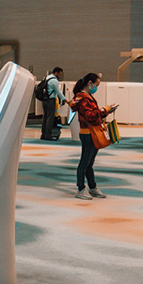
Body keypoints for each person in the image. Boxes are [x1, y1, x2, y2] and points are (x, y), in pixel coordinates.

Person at [70, 72, 113, 200]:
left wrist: (105, 112)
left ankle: (92, 187)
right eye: (96, 84)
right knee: (85, 162)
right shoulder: (83, 98)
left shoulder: (87, 97)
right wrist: (103, 110)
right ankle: (81, 188)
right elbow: (90, 116)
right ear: (89, 83)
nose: (96, 87)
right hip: (88, 133)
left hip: (92, 132)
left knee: (89, 163)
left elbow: (93, 115)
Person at [40, 67, 65, 140]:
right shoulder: (54, 81)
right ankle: (48, 135)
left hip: (44, 100)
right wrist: (65, 100)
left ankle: (43, 134)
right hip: (51, 100)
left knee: (45, 117)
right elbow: (59, 92)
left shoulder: (47, 78)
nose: (60, 76)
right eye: (60, 74)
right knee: (50, 118)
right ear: (56, 73)